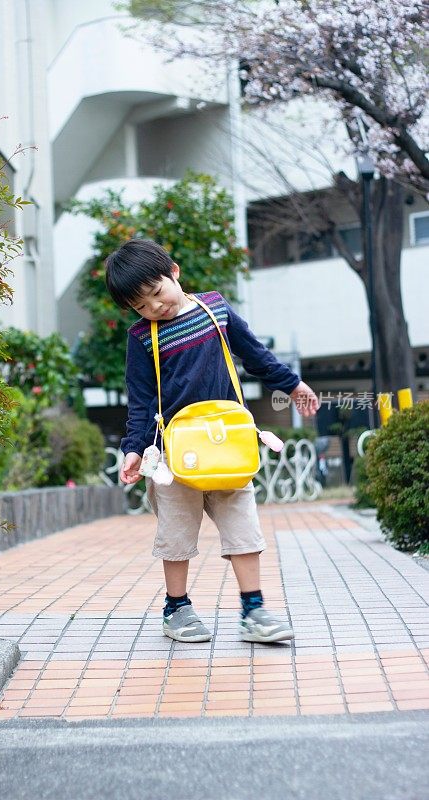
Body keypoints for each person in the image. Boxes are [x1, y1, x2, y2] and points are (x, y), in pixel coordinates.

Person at [105, 238, 319, 644]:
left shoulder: (215, 309)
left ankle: (254, 611)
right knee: (176, 534)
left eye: (156, 293)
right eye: (141, 306)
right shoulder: (141, 338)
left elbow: (255, 355)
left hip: (227, 443)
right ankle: (177, 609)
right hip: (172, 455)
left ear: (174, 273)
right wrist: (132, 450)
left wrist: (293, 385)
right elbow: (140, 401)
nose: (154, 308)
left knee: (243, 527)